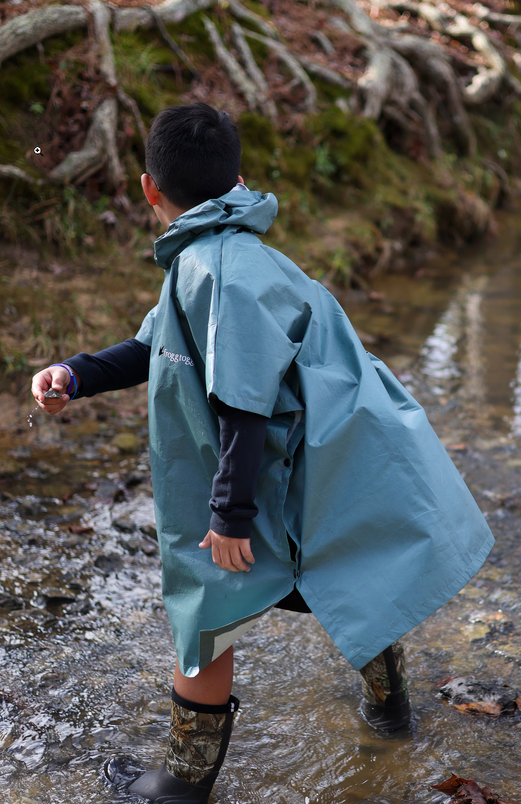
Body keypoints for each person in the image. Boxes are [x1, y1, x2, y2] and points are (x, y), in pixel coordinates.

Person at [31, 102, 494, 804]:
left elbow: (243, 404)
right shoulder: (231, 255)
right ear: (239, 180)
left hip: (279, 464)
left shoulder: (213, 269)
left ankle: (182, 785)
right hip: (328, 456)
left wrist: (229, 514)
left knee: (207, 607)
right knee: (349, 571)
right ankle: (390, 710)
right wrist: (77, 373)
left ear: (149, 189)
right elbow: (156, 347)